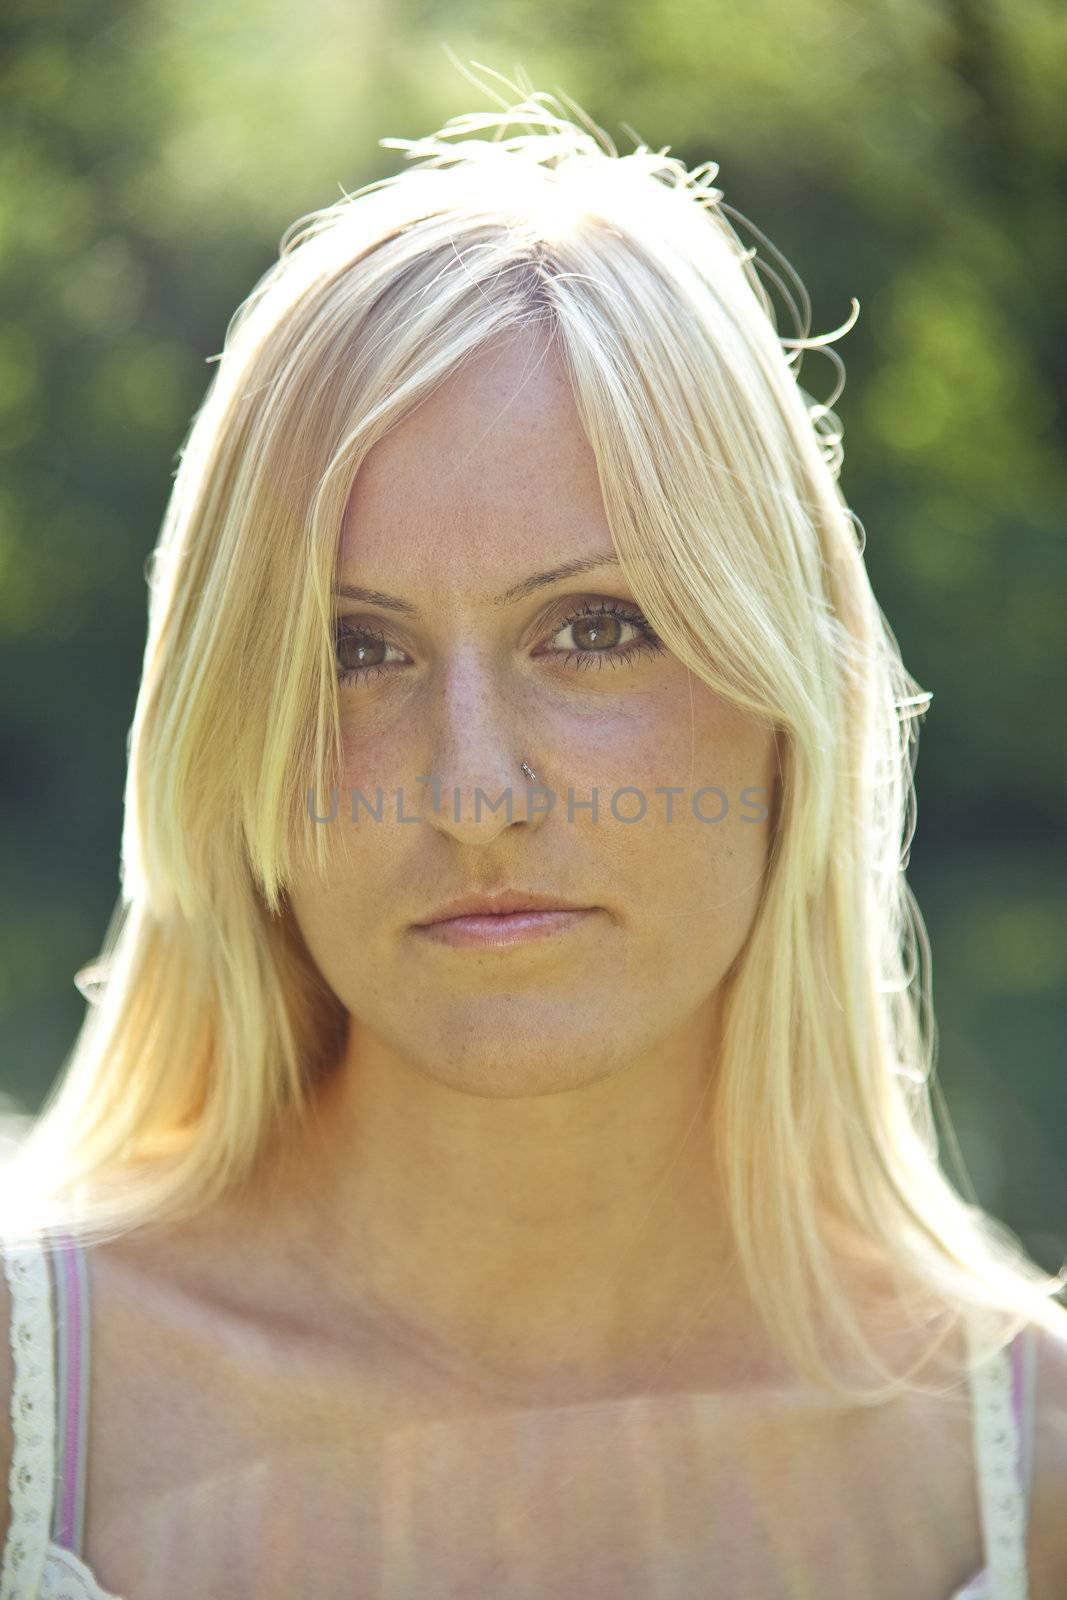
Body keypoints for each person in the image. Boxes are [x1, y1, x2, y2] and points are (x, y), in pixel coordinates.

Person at [1, 74, 1065, 1600]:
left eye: (596, 629)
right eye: (356, 652)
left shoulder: (1027, 1480)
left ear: (789, 708)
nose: (474, 790)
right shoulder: (32, 1420)